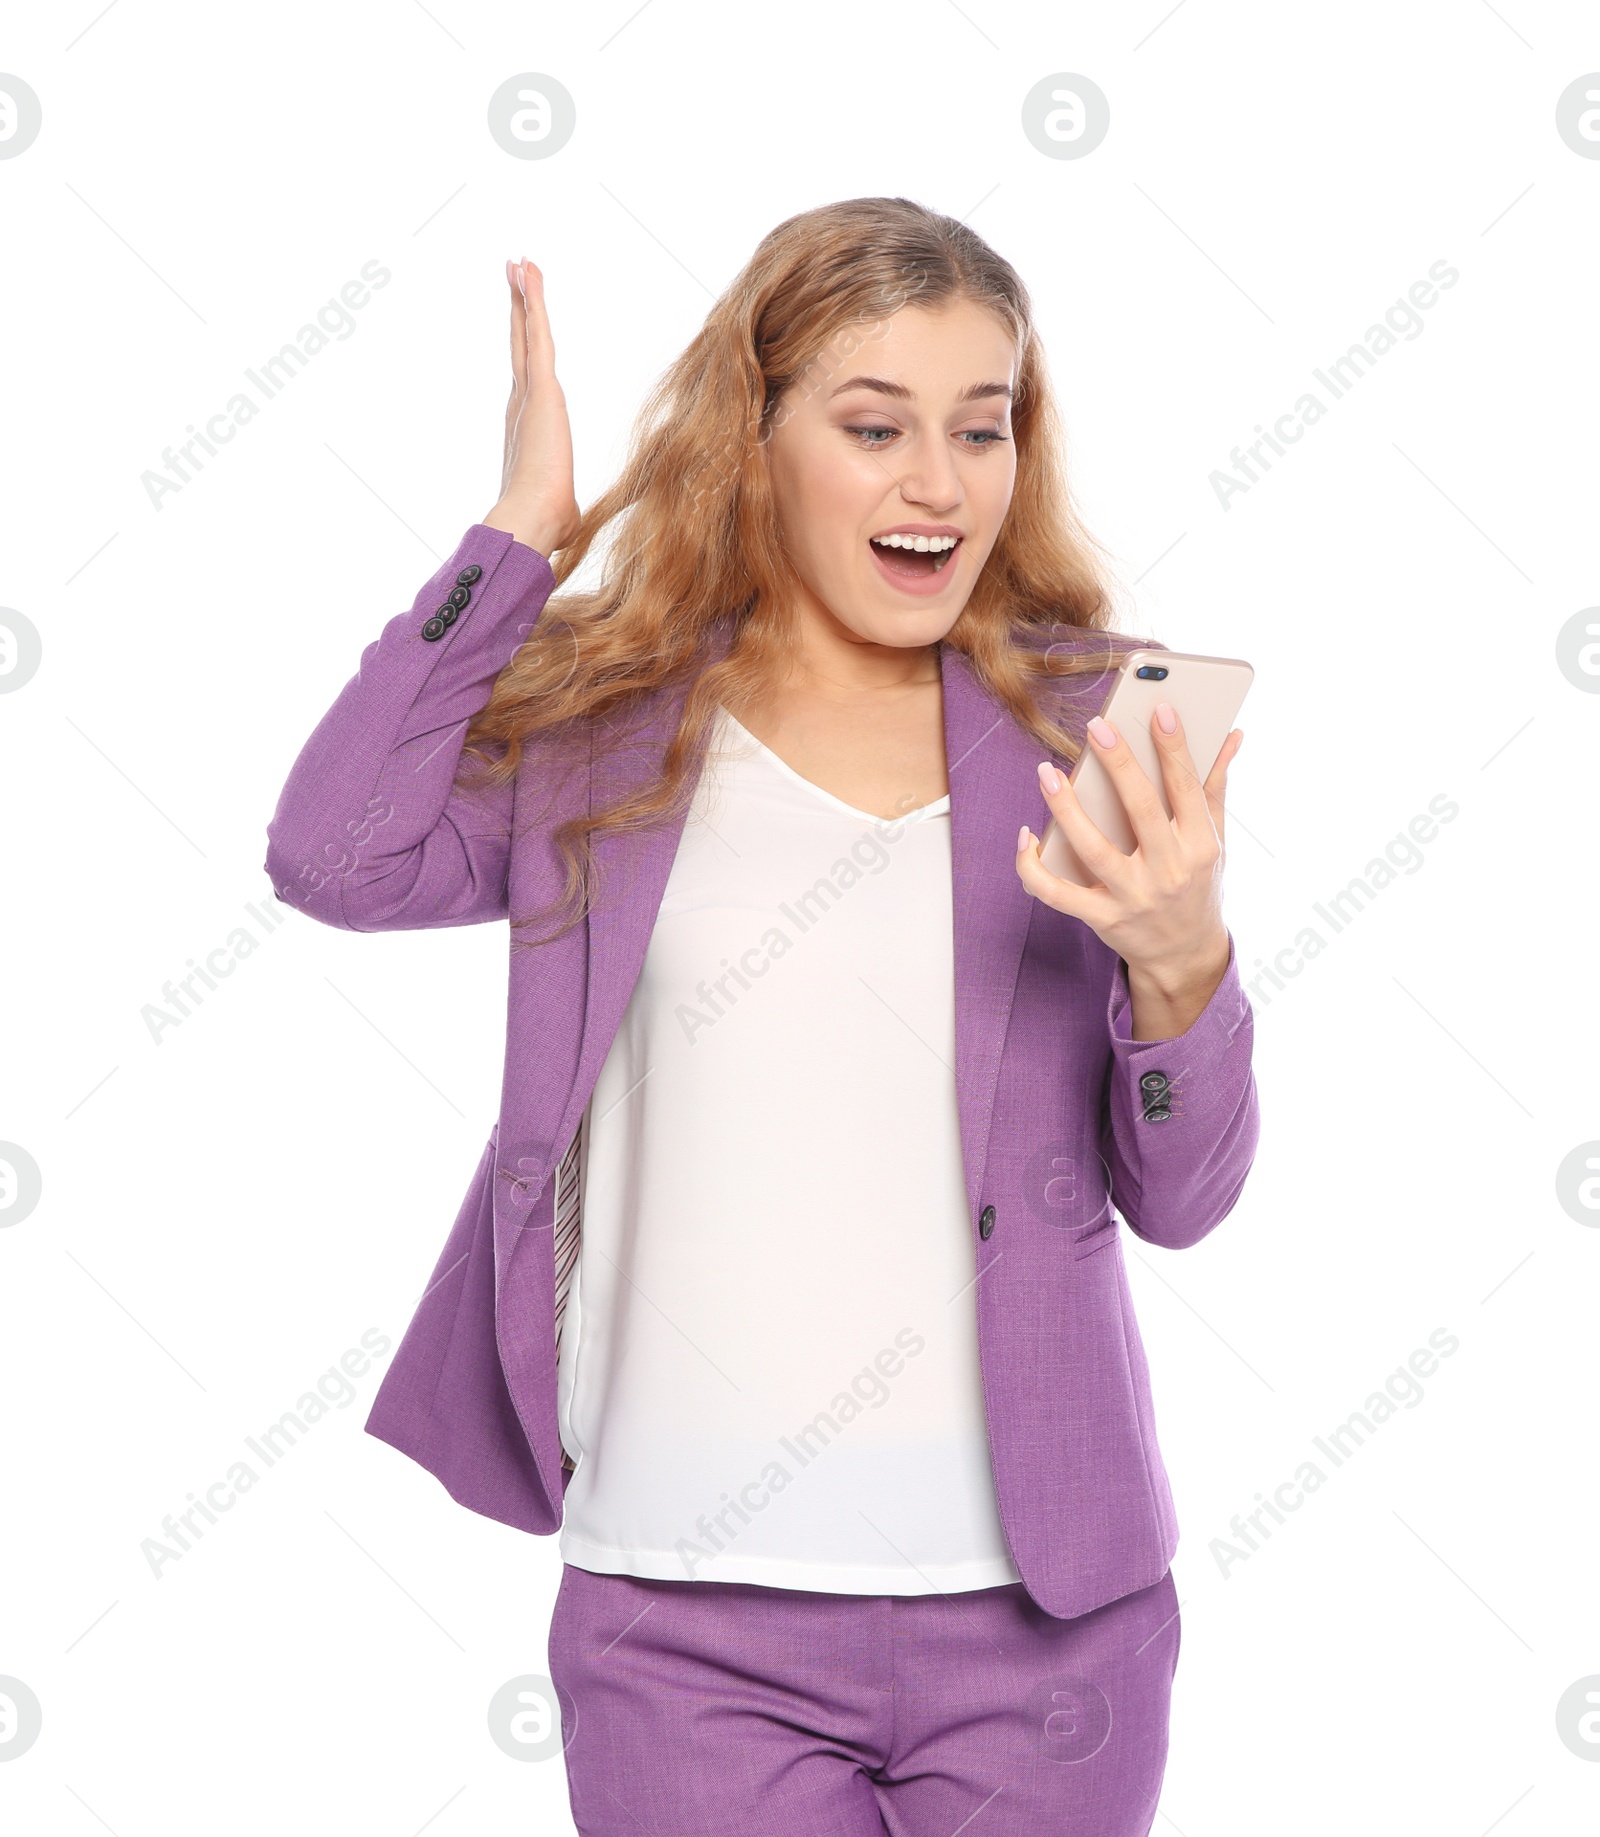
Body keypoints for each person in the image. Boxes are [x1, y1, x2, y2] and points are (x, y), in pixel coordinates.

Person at [264, 195, 1259, 1837]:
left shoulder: (1099, 719)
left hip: (1048, 1628)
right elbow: (333, 851)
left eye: (980, 427)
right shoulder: (609, 729)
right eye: (874, 427)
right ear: (759, 433)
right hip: (683, 1624)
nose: (938, 483)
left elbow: (1191, 1197)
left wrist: (1182, 960)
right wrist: (517, 536)